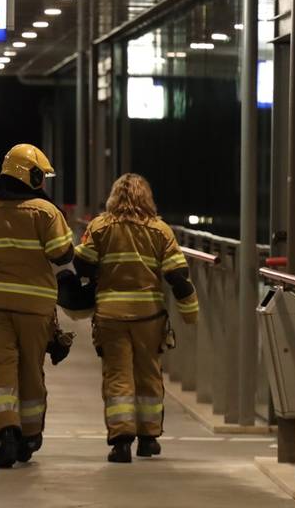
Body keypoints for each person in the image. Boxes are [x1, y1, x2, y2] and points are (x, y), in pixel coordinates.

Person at [0, 144, 74, 468]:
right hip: (35, 309)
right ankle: (30, 436)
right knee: (31, 372)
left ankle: (6, 432)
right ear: (31, 175)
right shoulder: (46, 213)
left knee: (0, 370)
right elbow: (63, 255)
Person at [73, 174, 198, 462]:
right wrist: (190, 311)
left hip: (110, 316)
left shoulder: (100, 227)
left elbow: (82, 263)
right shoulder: (160, 230)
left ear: (114, 197)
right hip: (149, 317)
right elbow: (177, 275)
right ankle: (148, 438)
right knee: (148, 375)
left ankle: (121, 441)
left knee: (117, 376)